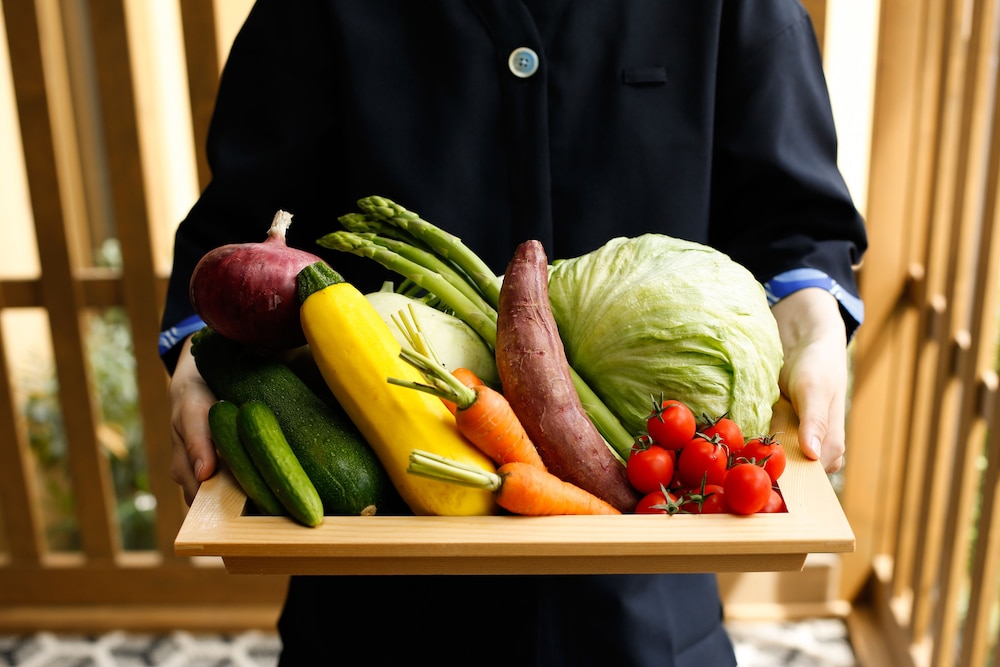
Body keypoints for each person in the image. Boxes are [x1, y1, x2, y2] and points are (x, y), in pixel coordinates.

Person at [160, 2, 867, 665]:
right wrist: (204, 353)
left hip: (649, 599)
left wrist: (810, 321)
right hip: (371, 591)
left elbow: (792, 226)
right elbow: (238, 233)